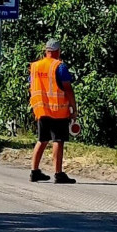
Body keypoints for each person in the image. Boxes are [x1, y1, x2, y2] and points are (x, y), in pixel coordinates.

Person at [29, 38, 77, 184]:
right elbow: (67, 88)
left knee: (42, 140)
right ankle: (58, 173)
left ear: (46, 51)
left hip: (41, 109)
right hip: (58, 110)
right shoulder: (59, 66)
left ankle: (34, 171)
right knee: (58, 140)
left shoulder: (35, 66)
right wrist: (73, 108)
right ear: (58, 51)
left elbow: (33, 85)